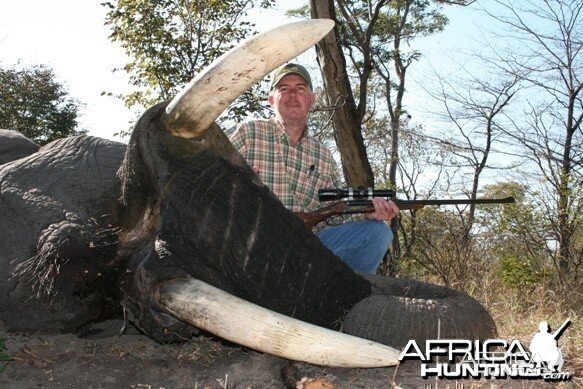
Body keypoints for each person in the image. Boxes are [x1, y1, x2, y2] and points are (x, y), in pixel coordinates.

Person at [227, 63, 399, 274]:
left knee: (378, 233)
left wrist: (367, 213)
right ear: (270, 99)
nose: (292, 95)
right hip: (252, 243)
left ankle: (352, 301)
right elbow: (212, 176)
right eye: (283, 88)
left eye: (300, 88)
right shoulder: (248, 133)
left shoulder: (322, 155)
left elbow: (337, 211)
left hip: (307, 248)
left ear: (312, 99)